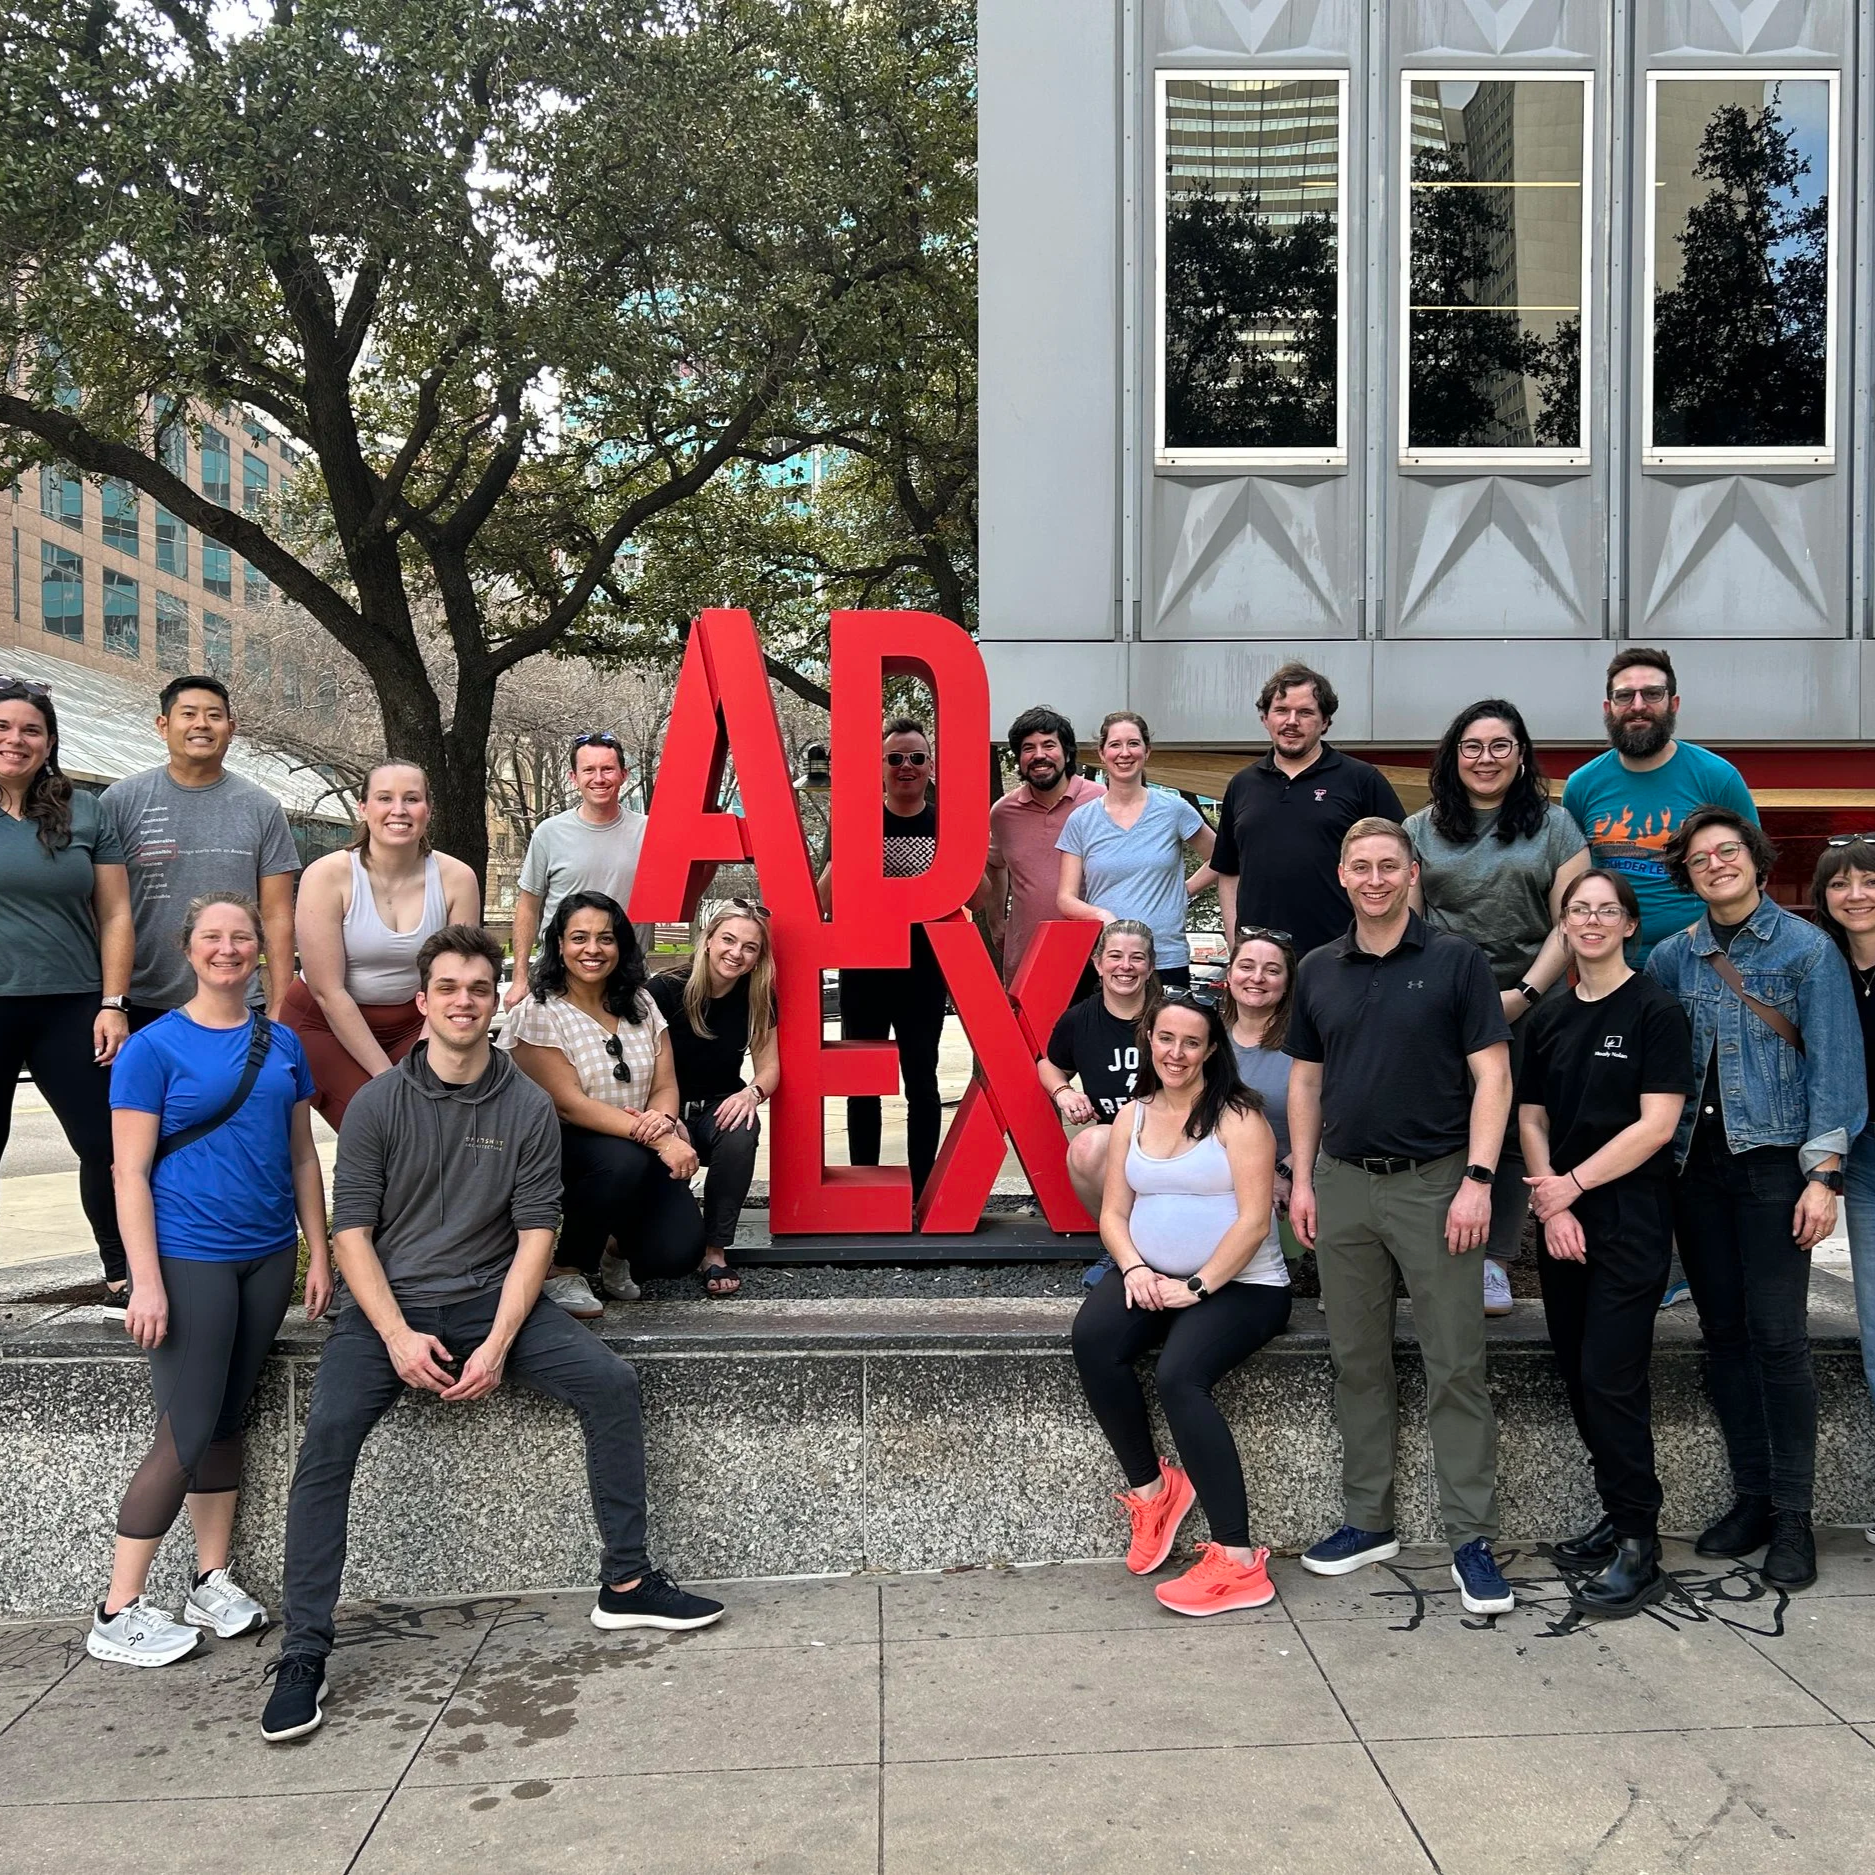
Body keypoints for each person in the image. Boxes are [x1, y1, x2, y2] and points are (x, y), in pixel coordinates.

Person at [261, 924, 723, 1743]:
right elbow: (351, 1235)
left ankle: (625, 1580)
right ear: (422, 1000)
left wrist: (501, 1340)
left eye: (478, 988)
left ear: (492, 997)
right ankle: (303, 1648)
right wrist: (399, 1336)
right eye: (448, 988)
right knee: (326, 1438)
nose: (464, 1001)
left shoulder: (523, 1104)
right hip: (388, 1313)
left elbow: (538, 1233)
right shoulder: (377, 1104)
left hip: (491, 1300)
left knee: (610, 1384)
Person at [89, 895, 333, 1666]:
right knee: (188, 1427)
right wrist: (145, 1280)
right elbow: (127, 1172)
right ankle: (116, 1607)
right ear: (188, 951)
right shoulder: (152, 1049)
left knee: (228, 1418)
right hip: (188, 1255)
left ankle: (209, 1576)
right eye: (212, 938)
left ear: (261, 951)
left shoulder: (283, 1042)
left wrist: (317, 1252)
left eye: (241, 938)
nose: (227, 950)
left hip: (264, 1255)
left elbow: (301, 1155)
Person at [1286, 818, 1517, 1614]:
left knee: (1455, 1363)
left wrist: (1479, 1178)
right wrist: (1306, 1178)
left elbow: (1492, 1077)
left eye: (1390, 865)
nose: (1376, 878)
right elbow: (1306, 1083)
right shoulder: (1317, 969)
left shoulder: (1455, 962)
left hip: (1438, 1185)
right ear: (1342, 875)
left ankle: (1470, 1537)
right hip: (1344, 1185)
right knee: (1356, 1359)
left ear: (1411, 872)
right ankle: (1366, 1519)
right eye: (1361, 866)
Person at [1646, 807, 1865, 1591]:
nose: (1714, 864)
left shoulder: (1806, 951)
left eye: (1727, 851)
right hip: (1695, 1171)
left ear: (1756, 859)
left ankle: (1794, 1519)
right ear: (1688, 874)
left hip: (1774, 1168)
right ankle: (1751, 1498)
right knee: (1724, 1335)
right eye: (1699, 857)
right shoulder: (1675, 955)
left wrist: (1821, 1173)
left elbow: (1835, 1069)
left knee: (1779, 1340)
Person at [1070, 992, 1290, 1616]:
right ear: (1149, 1039)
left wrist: (1196, 1288)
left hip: (1242, 1287)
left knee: (1179, 1376)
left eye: (1191, 1042)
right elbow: (1114, 1213)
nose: (1177, 1052)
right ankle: (1153, 1488)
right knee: (1093, 1341)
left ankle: (1239, 1561)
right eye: (1166, 1038)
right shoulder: (1133, 1116)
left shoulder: (1240, 1117)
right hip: (1154, 1278)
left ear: (1211, 1050)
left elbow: (1252, 1223)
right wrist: (1135, 1267)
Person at [1518, 869, 1693, 1616]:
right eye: (1577, 909)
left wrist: (1571, 1187)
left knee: (1609, 1376)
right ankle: (1615, 1510)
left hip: (1629, 1216)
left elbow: (1655, 1124)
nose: (1590, 920)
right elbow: (1527, 1115)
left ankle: (1638, 1543)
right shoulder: (1547, 1018)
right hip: (1562, 1217)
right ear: (1563, 926)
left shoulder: (1656, 1009)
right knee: (1575, 1371)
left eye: (1605, 910)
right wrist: (1549, 1198)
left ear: (1628, 924)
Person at [1407, 699, 1590, 1318]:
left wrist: (1526, 995)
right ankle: (1428, 1251)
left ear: (1520, 755)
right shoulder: (1417, 829)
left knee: (1515, 1126)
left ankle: (1494, 1260)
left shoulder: (1557, 826)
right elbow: (1408, 920)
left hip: (1534, 997)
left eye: (1500, 746)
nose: (1485, 759)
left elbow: (1571, 920)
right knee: (1441, 1122)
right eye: (1472, 747)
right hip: (1445, 998)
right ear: (1453, 756)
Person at [503, 892, 705, 1315]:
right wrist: (662, 1141)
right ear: (558, 944)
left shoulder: (641, 1002)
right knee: (620, 1160)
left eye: (605, 938)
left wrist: (663, 1121)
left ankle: (614, 1247)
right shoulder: (539, 1012)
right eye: (579, 937)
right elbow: (570, 1106)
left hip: (639, 1141)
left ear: (621, 945)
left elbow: (666, 1083)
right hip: (562, 1147)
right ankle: (565, 1269)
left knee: (676, 1255)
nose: (592, 949)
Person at [0, 676, 134, 1301]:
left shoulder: (85, 810)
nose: (15, 740)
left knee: (105, 1143)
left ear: (49, 741)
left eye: (30, 729)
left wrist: (113, 1002)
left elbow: (114, 915)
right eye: (3, 728)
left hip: (73, 1005)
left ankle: (123, 1270)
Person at [282, 761, 480, 1127]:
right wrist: (390, 1078)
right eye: (384, 798)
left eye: (412, 799)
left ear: (429, 810)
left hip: (415, 1025)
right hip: (325, 1023)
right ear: (363, 807)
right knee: (381, 1125)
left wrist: (419, 1063)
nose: (398, 810)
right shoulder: (327, 876)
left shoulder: (457, 878)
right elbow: (328, 991)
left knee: (435, 1123)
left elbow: (455, 984)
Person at [102, 674, 301, 1025]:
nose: (202, 725)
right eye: (189, 713)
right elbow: (103, 910)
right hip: (141, 1001)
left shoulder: (261, 807)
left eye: (214, 715)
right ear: (163, 726)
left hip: (237, 1001)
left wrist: (280, 1003)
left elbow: (277, 915)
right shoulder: (121, 801)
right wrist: (111, 1002)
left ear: (231, 727)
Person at [1561, 648, 1759, 964]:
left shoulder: (1717, 778)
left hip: (1704, 963)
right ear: (1608, 708)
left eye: (1652, 693)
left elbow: (1755, 869)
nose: (1638, 706)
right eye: (1624, 696)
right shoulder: (1581, 786)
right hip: (1612, 968)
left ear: (1674, 704)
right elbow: (1574, 881)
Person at [821, 718, 949, 1198]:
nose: (906, 767)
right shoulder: (854, 821)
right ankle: (864, 1188)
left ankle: (923, 1192)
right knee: (862, 1082)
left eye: (916, 757)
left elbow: (976, 899)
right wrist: (850, 845)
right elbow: (824, 899)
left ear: (930, 765)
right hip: (864, 970)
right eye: (895, 758)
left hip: (925, 971)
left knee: (922, 1078)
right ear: (880, 767)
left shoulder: (945, 824)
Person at [1210, 663, 1406, 960]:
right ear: (1265, 718)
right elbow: (1229, 871)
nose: (1292, 721)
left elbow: (1402, 866)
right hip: (1262, 963)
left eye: (1305, 712)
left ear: (1325, 721)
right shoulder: (1242, 785)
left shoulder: (1361, 780)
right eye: (1281, 710)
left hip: (1345, 957)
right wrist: (1235, 942)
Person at [648, 900, 779, 1298]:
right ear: (707, 940)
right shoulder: (665, 988)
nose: (736, 953)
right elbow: (640, 1064)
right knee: (667, 1254)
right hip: (664, 1112)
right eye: (728, 939)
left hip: (717, 1110)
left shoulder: (757, 996)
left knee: (743, 1129)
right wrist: (666, 1118)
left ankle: (715, 1249)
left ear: (758, 959)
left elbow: (770, 1066)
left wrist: (751, 1093)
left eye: (749, 947)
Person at [1811, 833, 1875, 1545]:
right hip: (1862, 1168)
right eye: (1838, 883)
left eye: (1866, 879)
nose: (1853, 893)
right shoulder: (1826, 968)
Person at [1056, 710, 1215, 990]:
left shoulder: (1174, 809)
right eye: (1115, 745)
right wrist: (1102, 916)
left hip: (1166, 958)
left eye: (1133, 743)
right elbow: (1066, 899)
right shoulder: (1081, 820)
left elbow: (1221, 857)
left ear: (1147, 751)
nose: (1124, 753)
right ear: (1102, 753)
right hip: (1111, 962)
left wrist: (1184, 889)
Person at [505, 732, 649, 1011]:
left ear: (623, 774)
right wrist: (520, 978)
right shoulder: (549, 833)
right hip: (559, 978)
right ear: (574, 777)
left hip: (626, 978)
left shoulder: (648, 832)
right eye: (588, 770)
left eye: (607, 769)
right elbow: (527, 907)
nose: (599, 778)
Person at [1041, 919, 1159, 1218]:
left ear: (1151, 966)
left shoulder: (1174, 1015)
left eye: (1137, 957)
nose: (1126, 966)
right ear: (1098, 963)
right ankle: (1115, 1239)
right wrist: (1064, 1092)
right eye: (1115, 956)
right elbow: (1049, 1065)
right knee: (1087, 1146)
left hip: (1175, 1137)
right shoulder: (1078, 1020)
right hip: (1115, 1139)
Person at [978, 706, 1103, 983]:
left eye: (1049, 745)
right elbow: (994, 864)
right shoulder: (1003, 813)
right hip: (1028, 956)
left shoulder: (1102, 802)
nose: (1039, 756)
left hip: (1097, 956)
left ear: (1067, 752)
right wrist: (996, 921)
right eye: (1028, 748)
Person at [1221, 927, 1300, 1265]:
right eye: (1247, 966)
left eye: (1272, 970)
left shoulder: (1307, 1044)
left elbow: (1332, 1124)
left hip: (1292, 1180)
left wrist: (1282, 1173)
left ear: (1286, 982)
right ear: (1229, 974)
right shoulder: (1206, 1038)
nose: (1257, 978)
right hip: (1220, 1179)